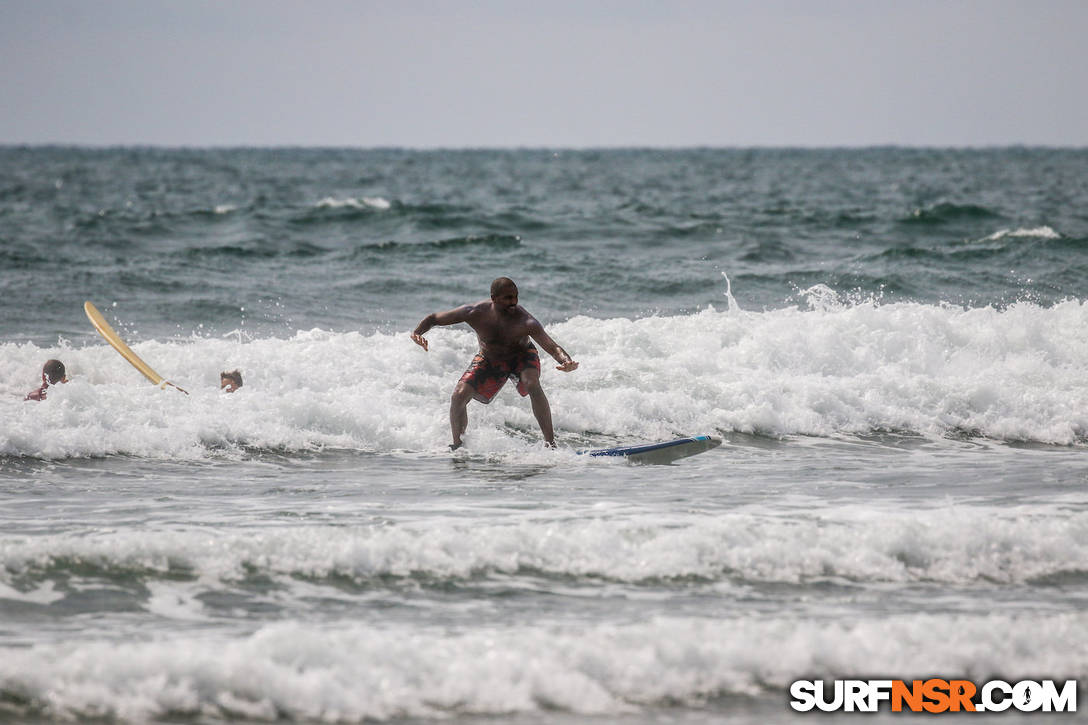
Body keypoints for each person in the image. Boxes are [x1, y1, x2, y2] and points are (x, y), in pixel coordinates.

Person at [411, 277, 579, 449]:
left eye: (515, 297)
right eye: (508, 298)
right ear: (493, 298)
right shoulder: (474, 312)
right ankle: (458, 447)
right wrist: (417, 333)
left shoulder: (526, 321)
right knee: (458, 396)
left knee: (532, 383)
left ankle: (550, 444)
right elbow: (433, 319)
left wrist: (566, 361)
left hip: (522, 356)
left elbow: (552, 347)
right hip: (489, 359)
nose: (513, 302)